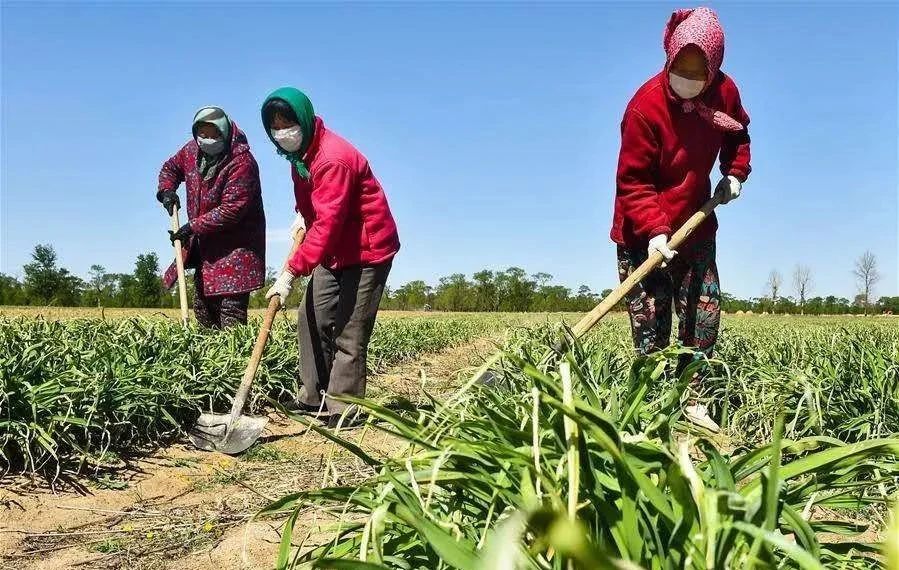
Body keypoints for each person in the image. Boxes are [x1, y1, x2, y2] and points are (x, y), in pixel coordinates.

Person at [610, 7, 751, 430]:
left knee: (702, 313)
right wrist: (655, 230)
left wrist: (735, 173)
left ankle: (694, 402)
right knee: (652, 321)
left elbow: (738, 133)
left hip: (696, 223)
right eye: (680, 68)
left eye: (698, 71)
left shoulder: (725, 93)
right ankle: (651, 407)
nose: (687, 79)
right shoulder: (644, 108)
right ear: (669, 57)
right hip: (642, 232)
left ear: (713, 67)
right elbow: (633, 181)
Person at [261, 87, 400, 427]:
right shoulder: (300, 158)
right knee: (312, 315)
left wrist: (290, 272)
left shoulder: (332, 158)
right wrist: (301, 214)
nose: (283, 132)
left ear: (304, 120)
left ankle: (344, 407)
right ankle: (313, 396)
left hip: (367, 248)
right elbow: (315, 209)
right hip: (335, 246)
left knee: (349, 329)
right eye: (275, 126)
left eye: (288, 122)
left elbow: (327, 226)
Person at [157, 107, 266, 329]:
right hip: (206, 249)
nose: (207, 140)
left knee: (230, 314)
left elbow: (232, 209)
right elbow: (170, 168)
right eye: (202, 134)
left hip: (237, 251)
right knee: (203, 309)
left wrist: (192, 227)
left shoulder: (242, 162)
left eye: (213, 134)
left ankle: (236, 361)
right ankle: (208, 358)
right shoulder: (190, 151)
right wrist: (167, 191)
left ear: (224, 132)